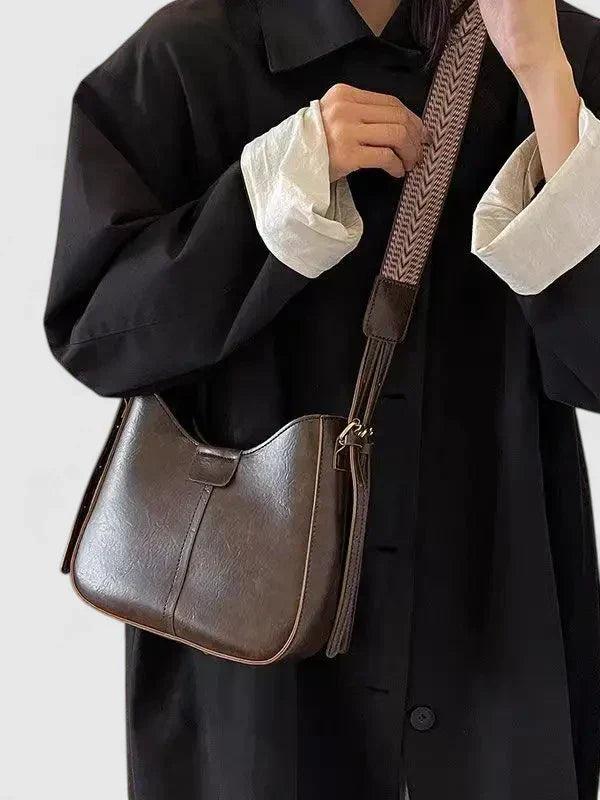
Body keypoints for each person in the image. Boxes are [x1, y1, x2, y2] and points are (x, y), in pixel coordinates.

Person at [44, 0, 600, 797]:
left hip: (494, 629)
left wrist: (548, 84)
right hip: (252, 657)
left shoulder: (557, 49)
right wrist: (270, 192)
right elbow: (98, 335)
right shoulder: (190, 57)